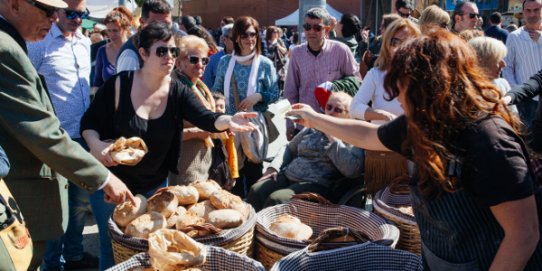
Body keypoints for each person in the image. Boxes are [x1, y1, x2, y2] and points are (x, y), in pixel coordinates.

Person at [289, 28, 542, 271]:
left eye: (402, 86)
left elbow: (523, 235)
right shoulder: (424, 122)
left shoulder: (489, 141)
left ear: (432, 85)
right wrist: (314, 119)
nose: (395, 96)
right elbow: (369, 135)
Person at [81, 22, 256, 269]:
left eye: (173, 51)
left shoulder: (177, 91)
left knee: (154, 252)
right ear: (143, 53)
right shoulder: (119, 85)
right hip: (112, 185)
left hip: (155, 186)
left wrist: (230, 119)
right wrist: (97, 145)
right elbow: (88, 124)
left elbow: (206, 117)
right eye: (161, 51)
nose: (170, 57)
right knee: (112, 248)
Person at [0, 0, 134, 270]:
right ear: (14, 6)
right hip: (20, 197)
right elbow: (40, 130)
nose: (54, 18)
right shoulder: (5, 48)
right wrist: (103, 177)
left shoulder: (14, 42)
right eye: (48, 11)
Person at [26, 0, 99, 269]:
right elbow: (28, 86)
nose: (77, 19)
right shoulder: (40, 43)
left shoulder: (83, 42)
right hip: (55, 139)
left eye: (82, 14)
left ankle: (75, 255)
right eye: (71, 13)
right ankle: (52, 263)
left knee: (79, 203)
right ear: (56, 10)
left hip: (83, 136)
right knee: (55, 206)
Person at [247, 92, 364, 211]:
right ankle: (248, 227)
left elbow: (352, 170)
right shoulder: (312, 128)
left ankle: (264, 228)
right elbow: (289, 148)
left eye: (338, 109)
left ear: (348, 115)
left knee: (277, 199)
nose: (331, 112)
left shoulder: (350, 137)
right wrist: (273, 167)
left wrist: (330, 132)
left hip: (317, 184)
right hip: (290, 175)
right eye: (329, 107)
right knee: (257, 190)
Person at [212, 16, 280, 198]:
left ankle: (253, 210)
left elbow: (275, 93)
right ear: (236, 38)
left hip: (253, 128)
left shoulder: (265, 64)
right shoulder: (225, 62)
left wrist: (259, 96)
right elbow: (216, 90)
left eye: (253, 34)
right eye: (244, 35)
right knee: (232, 173)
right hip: (230, 126)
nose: (249, 39)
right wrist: (218, 103)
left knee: (254, 172)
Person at [284, 7, 360, 140]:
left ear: (327, 30)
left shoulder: (341, 51)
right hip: (305, 127)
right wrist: (290, 124)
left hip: (336, 126)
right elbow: (291, 91)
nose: (311, 31)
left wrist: (335, 86)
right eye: (307, 27)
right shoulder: (297, 53)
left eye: (317, 28)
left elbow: (356, 82)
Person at [168, 35, 224, 185]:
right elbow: (165, 132)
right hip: (182, 165)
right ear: (178, 62)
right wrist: (197, 132)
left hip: (202, 163)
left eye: (204, 60)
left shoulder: (199, 85)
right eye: (194, 59)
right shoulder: (174, 87)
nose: (200, 64)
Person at [351, 19, 420, 125]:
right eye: (395, 42)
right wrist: (383, 115)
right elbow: (354, 108)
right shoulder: (376, 75)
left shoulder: (421, 76)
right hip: (379, 138)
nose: (400, 47)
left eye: (407, 42)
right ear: (387, 45)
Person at [503, 0, 542, 129]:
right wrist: (517, 90)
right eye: (528, 10)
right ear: (523, 12)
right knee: (529, 140)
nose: (532, 14)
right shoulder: (514, 37)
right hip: (527, 100)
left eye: (536, 10)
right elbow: (507, 67)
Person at [116, 0, 173, 72]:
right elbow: (126, 83)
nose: (162, 29)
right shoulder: (130, 55)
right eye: (155, 24)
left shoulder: (173, 48)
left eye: (167, 24)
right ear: (142, 22)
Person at [468, 36, 517, 113]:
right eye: (498, 60)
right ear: (482, 62)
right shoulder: (467, 91)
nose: (504, 64)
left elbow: (513, 114)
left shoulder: (502, 84)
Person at [92, 7, 134, 92]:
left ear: (125, 29)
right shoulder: (102, 50)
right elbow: (97, 83)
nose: (111, 35)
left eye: (115, 31)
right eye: (109, 30)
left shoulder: (134, 49)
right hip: (108, 103)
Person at [358, 14, 401, 78]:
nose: (380, 28)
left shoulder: (398, 47)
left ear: (390, 28)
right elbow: (364, 62)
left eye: (383, 26)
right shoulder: (377, 41)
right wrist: (364, 42)